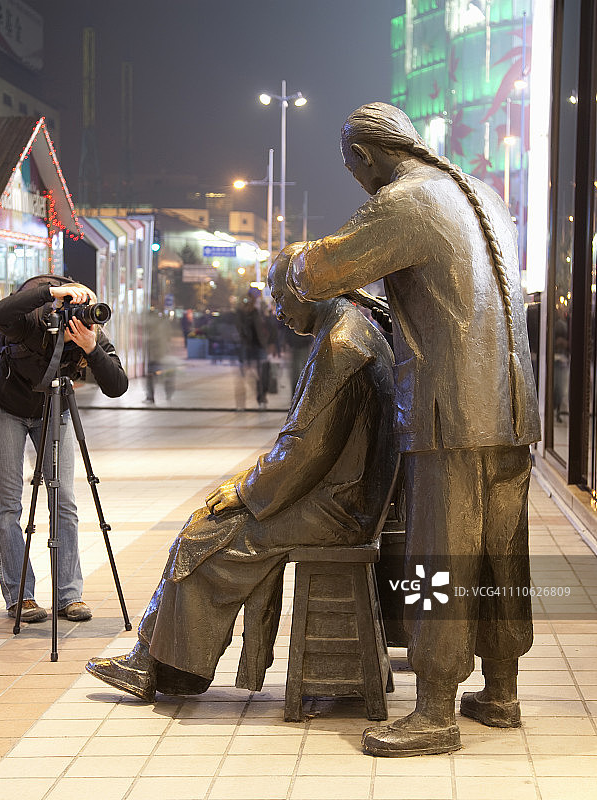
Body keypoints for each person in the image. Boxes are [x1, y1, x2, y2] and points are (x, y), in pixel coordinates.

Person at [278, 102, 541, 756]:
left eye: (351, 169)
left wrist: (287, 258)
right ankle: (501, 692)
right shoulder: (480, 195)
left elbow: (320, 272)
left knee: (440, 560)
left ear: (365, 156)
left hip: (450, 412)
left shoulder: (407, 202)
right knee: (498, 555)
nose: (355, 181)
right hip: (510, 407)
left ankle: (433, 712)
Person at [85, 258, 397, 700]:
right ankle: (163, 663)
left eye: (280, 298)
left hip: (339, 507)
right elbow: (306, 445)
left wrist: (247, 490)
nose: (278, 311)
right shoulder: (347, 329)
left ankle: (158, 664)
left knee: (203, 536)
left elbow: (304, 449)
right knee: (206, 526)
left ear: (308, 289)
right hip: (344, 494)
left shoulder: (341, 344)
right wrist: (253, 482)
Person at [0, 275, 128, 623]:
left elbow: (118, 386)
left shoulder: (87, 333)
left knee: (63, 498)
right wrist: (51, 293)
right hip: (8, 408)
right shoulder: (32, 321)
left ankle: (69, 595)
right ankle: (20, 596)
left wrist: (92, 349)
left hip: (54, 407)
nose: (78, 316)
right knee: (8, 503)